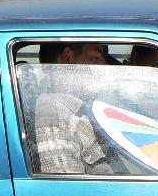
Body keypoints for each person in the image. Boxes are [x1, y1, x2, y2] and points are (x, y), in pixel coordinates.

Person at [32, 42, 115, 175]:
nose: (103, 65)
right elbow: (66, 182)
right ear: (68, 57)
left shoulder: (79, 110)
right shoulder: (53, 110)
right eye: (95, 58)